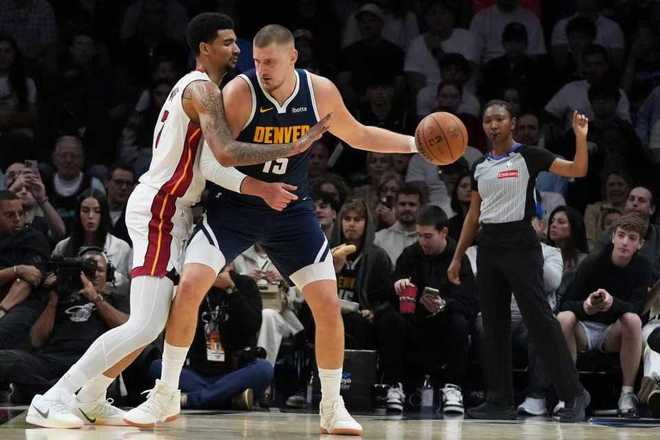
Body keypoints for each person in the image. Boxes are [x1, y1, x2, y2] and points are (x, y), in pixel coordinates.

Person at [27, 12, 327, 429]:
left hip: (175, 211)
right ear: (205, 48)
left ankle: (92, 397)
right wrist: (292, 147)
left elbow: (209, 164)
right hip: (161, 209)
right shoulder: (202, 89)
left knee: (154, 322)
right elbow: (224, 153)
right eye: (227, 42)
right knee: (145, 323)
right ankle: (54, 397)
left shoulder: (200, 89)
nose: (236, 49)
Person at [155, 24, 421, 436]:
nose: (262, 70)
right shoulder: (240, 92)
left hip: (291, 210)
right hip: (238, 205)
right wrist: (259, 188)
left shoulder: (319, 91)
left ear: (293, 58)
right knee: (190, 287)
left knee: (327, 304)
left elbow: (358, 134)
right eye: (257, 61)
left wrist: (415, 144)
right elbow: (211, 161)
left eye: (271, 62)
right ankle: (165, 393)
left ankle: (332, 406)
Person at [447, 100, 591, 422]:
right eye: (488, 120)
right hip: (488, 245)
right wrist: (457, 257)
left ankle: (574, 394)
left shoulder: (529, 156)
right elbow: (473, 215)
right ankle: (499, 400)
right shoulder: (479, 165)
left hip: (521, 244)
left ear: (512, 123)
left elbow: (577, 170)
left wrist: (580, 138)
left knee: (540, 321)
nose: (493, 125)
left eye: (500, 119)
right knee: (493, 324)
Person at [0, 248, 129, 405]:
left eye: (99, 270)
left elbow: (127, 328)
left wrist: (96, 299)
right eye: (87, 270)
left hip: (88, 363)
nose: (94, 274)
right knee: (5, 359)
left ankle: (45, 393)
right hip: (50, 361)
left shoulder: (113, 299)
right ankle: (57, 393)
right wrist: (53, 301)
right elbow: (36, 340)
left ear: (108, 275)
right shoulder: (58, 297)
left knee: (98, 384)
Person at [557, 213, 653, 417]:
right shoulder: (593, 262)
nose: (625, 242)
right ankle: (568, 392)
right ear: (613, 237)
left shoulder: (643, 267)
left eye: (632, 238)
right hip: (584, 330)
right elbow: (564, 304)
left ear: (640, 244)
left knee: (633, 319)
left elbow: (637, 307)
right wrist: (586, 306)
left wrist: (612, 303)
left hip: (612, 332)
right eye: (621, 235)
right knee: (563, 318)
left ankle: (627, 393)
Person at [148, 265, 272, 410]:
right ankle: (230, 400)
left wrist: (230, 289)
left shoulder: (245, 284)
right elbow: (176, 326)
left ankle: (192, 399)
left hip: (234, 372)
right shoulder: (191, 284)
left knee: (264, 369)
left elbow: (252, 326)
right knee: (157, 366)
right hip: (196, 373)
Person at [394, 205, 478, 415]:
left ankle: (453, 388)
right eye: (419, 236)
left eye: (428, 236)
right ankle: (394, 386)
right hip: (414, 319)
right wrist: (397, 286)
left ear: (443, 232)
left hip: (446, 321)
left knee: (459, 322)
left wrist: (444, 304)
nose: (423, 242)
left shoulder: (458, 258)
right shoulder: (410, 254)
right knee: (390, 319)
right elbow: (391, 287)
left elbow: (470, 302)